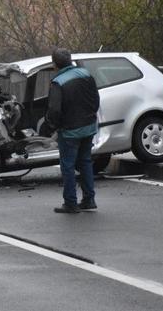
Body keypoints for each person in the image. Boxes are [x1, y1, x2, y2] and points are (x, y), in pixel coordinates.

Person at [46, 48, 100, 214]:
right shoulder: (86, 74)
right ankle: (89, 199)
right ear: (70, 60)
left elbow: (54, 110)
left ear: (54, 64)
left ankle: (70, 202)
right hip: (89, 126)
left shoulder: (58, 82)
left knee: (68, 166)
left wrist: (53, 126)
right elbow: (96, 99)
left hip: (69, 130)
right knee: (85, 162)